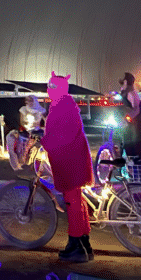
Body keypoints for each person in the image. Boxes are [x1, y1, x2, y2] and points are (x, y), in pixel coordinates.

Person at [40, 72, 94, 263]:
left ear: (61, 89)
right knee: (77, 202)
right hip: (71, 160)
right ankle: (83, 242)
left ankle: (77, 247)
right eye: (49, 85)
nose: (49, 89)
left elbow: (63, 135)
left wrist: (44, 140)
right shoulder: (64, 104)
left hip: (70, 162)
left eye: (53, 86)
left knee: (73, 203)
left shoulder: (63, 107)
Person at [118, 72, 141, 157]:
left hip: (136, 124)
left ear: (126, 82)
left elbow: (136, 110)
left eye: (123, 83)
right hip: (134, 123)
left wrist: (126, 118)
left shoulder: (131, 93)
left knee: (134, 145)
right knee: (129, 144)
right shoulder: (127, 92)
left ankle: (133, 164)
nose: (121, 86)